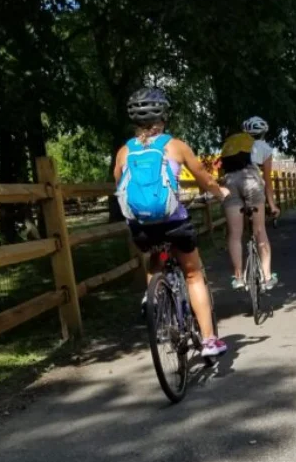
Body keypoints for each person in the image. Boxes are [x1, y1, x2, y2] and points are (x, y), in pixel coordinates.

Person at [114, 87, 230, 356]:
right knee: (193, 273)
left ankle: (154, 298)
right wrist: (219, 192)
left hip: (141, 227)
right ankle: (210, 341)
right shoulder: (174, 146)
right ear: (163, 117)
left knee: (154, 255)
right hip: (174, 222)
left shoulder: (123, 152)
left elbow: (119, 184)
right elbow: (203, 176)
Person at [219, 116, 279, 290]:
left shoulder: (233, 145)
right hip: (251, 181)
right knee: (260, 231)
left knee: (235, 234)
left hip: (230, 183)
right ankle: (267, 278)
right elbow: (267, 181)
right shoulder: (264, 148)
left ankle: (238, 277)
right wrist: (273, 205)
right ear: (263, 133)